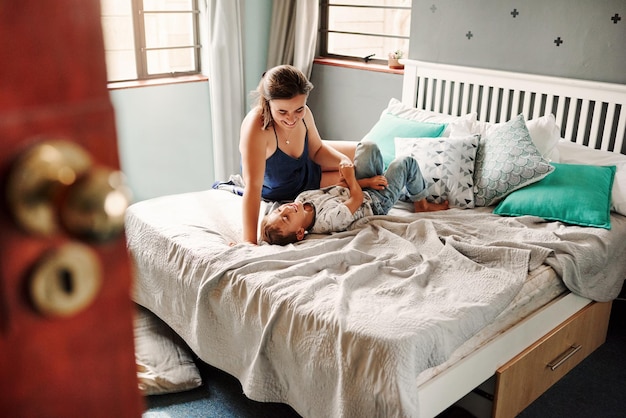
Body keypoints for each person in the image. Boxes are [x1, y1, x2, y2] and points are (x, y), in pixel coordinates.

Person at [239, 64, 359, 245]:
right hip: (286, 186)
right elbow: (253, 188)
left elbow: (317, 150)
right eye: (282, 112)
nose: (292, 118)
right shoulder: (256, 126)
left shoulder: (306, 114)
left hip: (307, 166)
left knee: (362, 153)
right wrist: (249, 242)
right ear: (268, 102)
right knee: (360, 175)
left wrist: (342, 159)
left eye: (299, 109)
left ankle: (409, 179)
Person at [260, 142, 449, 245]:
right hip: (374, 202)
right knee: (405, 163)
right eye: (286, 218)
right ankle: (421, 204)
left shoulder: (302, 199)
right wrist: (360, 182)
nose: (285, 209)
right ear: (300, 233)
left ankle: (383, 177)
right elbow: (357, 199)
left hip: (359, 187)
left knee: (368, 147)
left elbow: (339, 187)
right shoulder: (328, 221)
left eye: (278, 212)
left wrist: (366, 181)